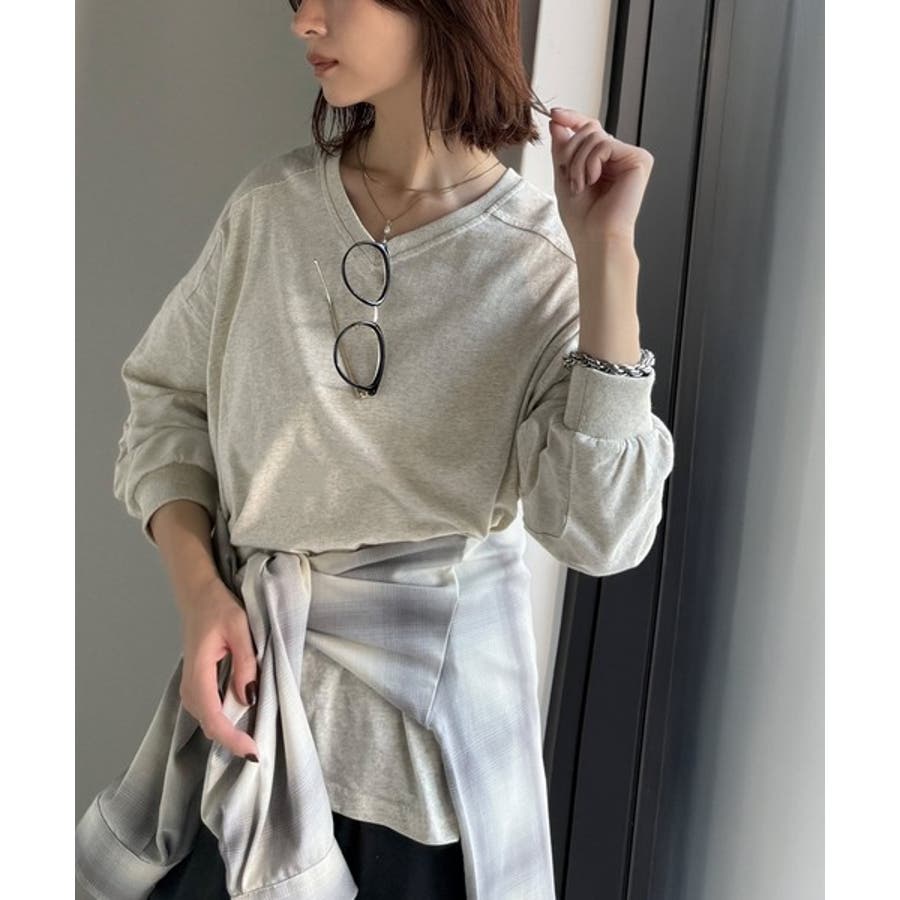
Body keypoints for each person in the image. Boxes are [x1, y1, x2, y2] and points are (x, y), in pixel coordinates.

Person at [75, 1, 675, 898]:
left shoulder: (543, 265)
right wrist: (201, 594)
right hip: (248, 734)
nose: (303, 22)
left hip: (419, 788)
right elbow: (168, 403)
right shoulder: (270, 211)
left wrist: (609, 260)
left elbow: (599, 534)